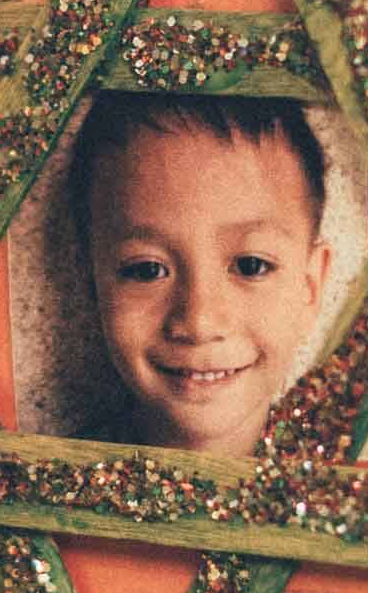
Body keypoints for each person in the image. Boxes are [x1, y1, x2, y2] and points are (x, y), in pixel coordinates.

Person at [68, 93, 330, 459]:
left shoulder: (352, 487)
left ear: (310, 287)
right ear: (91, 283)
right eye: (148, 270)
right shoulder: (42, 483)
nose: (199, 322)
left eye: (251, 265)